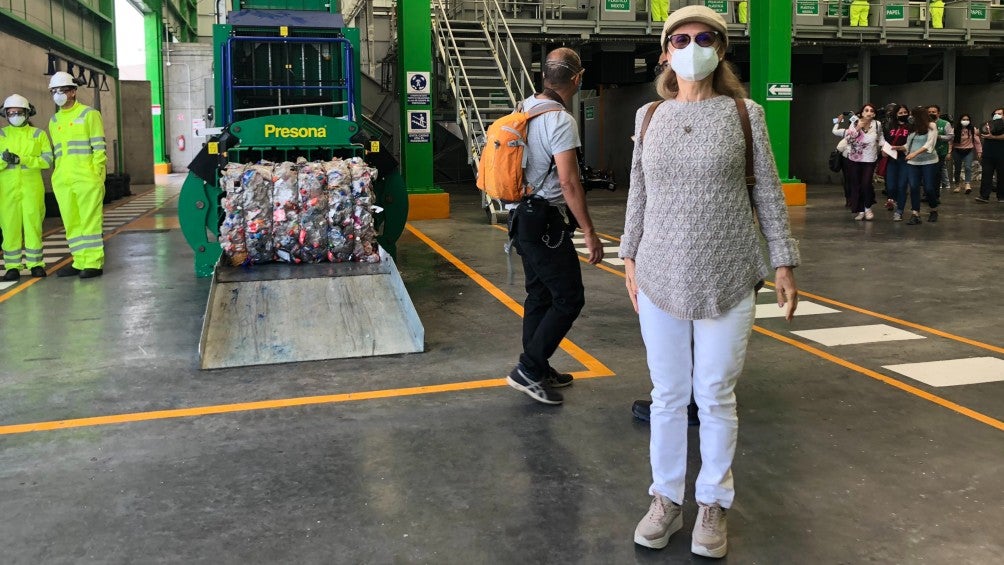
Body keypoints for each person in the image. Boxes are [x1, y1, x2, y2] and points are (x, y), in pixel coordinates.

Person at [622, 6, 799, 558]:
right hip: (658, 274)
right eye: (681, 38)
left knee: (716, 394)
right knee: (669, 395)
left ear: (720, 51)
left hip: (729, 273)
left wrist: (784, 261)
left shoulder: (744, 114)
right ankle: (666, 499)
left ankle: (713, 503)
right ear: (665, 51)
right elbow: (638, 192)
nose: (692, 46)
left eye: (705, 38)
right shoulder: (649, 116)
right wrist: (628, 258)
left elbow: (766, 191)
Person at [504, 47, 603, 406]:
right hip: (544, 220)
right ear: (577, 79)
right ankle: (528, 368)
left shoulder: (524, 107)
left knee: (540, 294)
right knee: (569, 297)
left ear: (543, 76)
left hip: (520, 216)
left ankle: (537, 366)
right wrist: (589, 231)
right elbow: (569, 182)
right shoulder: (560, 120)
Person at [47, 70, 106, 278]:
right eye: (54, 91)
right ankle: (79, 261)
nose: (58, 94)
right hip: (63, 179)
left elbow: (99, 148)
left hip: (86, 177)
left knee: (89, 220)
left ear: (73, 92)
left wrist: (96, 174)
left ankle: (93, 263)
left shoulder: (89, 114)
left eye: (62, 90)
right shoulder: (54, 121)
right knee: (71, 221)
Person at [0, 94, 53, 281]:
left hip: (32, 188)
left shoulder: (38, 134)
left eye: (19, 112)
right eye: (11, 112)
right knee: (9, 227)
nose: (15, 115)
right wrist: (3, 161)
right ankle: (12, 266)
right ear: (5, 114)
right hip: (7, 190)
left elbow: (47, 160)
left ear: (27, 113)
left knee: (33, 225)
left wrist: (22, 160)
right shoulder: (1, 135)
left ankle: (36, 264)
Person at [896, 106, 940, 224]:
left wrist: (914, 153)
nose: (910, 117)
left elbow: (929, 144)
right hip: (913, 163)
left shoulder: (932, 126)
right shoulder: (912, 129)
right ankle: (915, 214)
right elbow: (908, 145)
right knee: (914, 187)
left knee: (929, 187)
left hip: (929, 161)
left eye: (912, 115)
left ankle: (933, 209)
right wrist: (898, 148)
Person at [840, 103, 882, 220]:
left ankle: (868, 207)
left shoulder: (877, 124)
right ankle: (861, 210)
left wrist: (885, 147)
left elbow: (880, 137)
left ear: (874, 114)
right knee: (856, 184)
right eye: (866, 110)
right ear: (861, 113)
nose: (869, 112)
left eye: (871, 111)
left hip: (870, 159)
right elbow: (848, 139)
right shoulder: (854, 124)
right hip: (855, 159)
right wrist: (857, 129)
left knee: (866, 184)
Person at [883, 104, 912, 221]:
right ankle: (892, 199)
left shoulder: (911, 126)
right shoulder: (890, 126)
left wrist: (903, 148)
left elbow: (913, 142)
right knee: (890, 186)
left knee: (902, 186)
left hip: (905, 159)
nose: (903, 115)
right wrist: (883, 150)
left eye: (905, 112)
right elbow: (884, 140)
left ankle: (899, 211)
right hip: (891, 159)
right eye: (900, 113)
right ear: (895, 114)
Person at [975, 108, 1004, 204]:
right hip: (988, 154)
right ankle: (984, 196)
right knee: (986, 175)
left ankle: (1001, 196)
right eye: (995, 114)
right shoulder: (988, 123)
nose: (997, 115)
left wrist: (993, 137)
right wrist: (983, 130)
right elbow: (978, 132)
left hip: (1001, 154)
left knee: (1002, 176)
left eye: (999, 113)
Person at [951, 113, 981, 194]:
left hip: (968, 150)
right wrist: (949, 151)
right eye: (963, 119)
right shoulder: (955, 129)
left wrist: (979, 151)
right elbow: (950, 141)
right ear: (960, 120)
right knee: (957, 168)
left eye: (967, 120)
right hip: (957, 150)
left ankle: (967, 184)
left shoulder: (972, 129)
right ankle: (957, 185)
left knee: (968, 167)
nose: (965, 121)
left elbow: (977, 141)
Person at [928, 105, 953, 194]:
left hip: (940, 152)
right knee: (927, 174)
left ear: (938, 113)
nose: (931, 113)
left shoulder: (945, 123)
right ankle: (927, 194)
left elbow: (950, 136)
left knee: (936, 173)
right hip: (927, 153)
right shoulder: (924, 123)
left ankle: (935, 194)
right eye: (929, 112)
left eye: (933, 112)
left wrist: (939, 137)